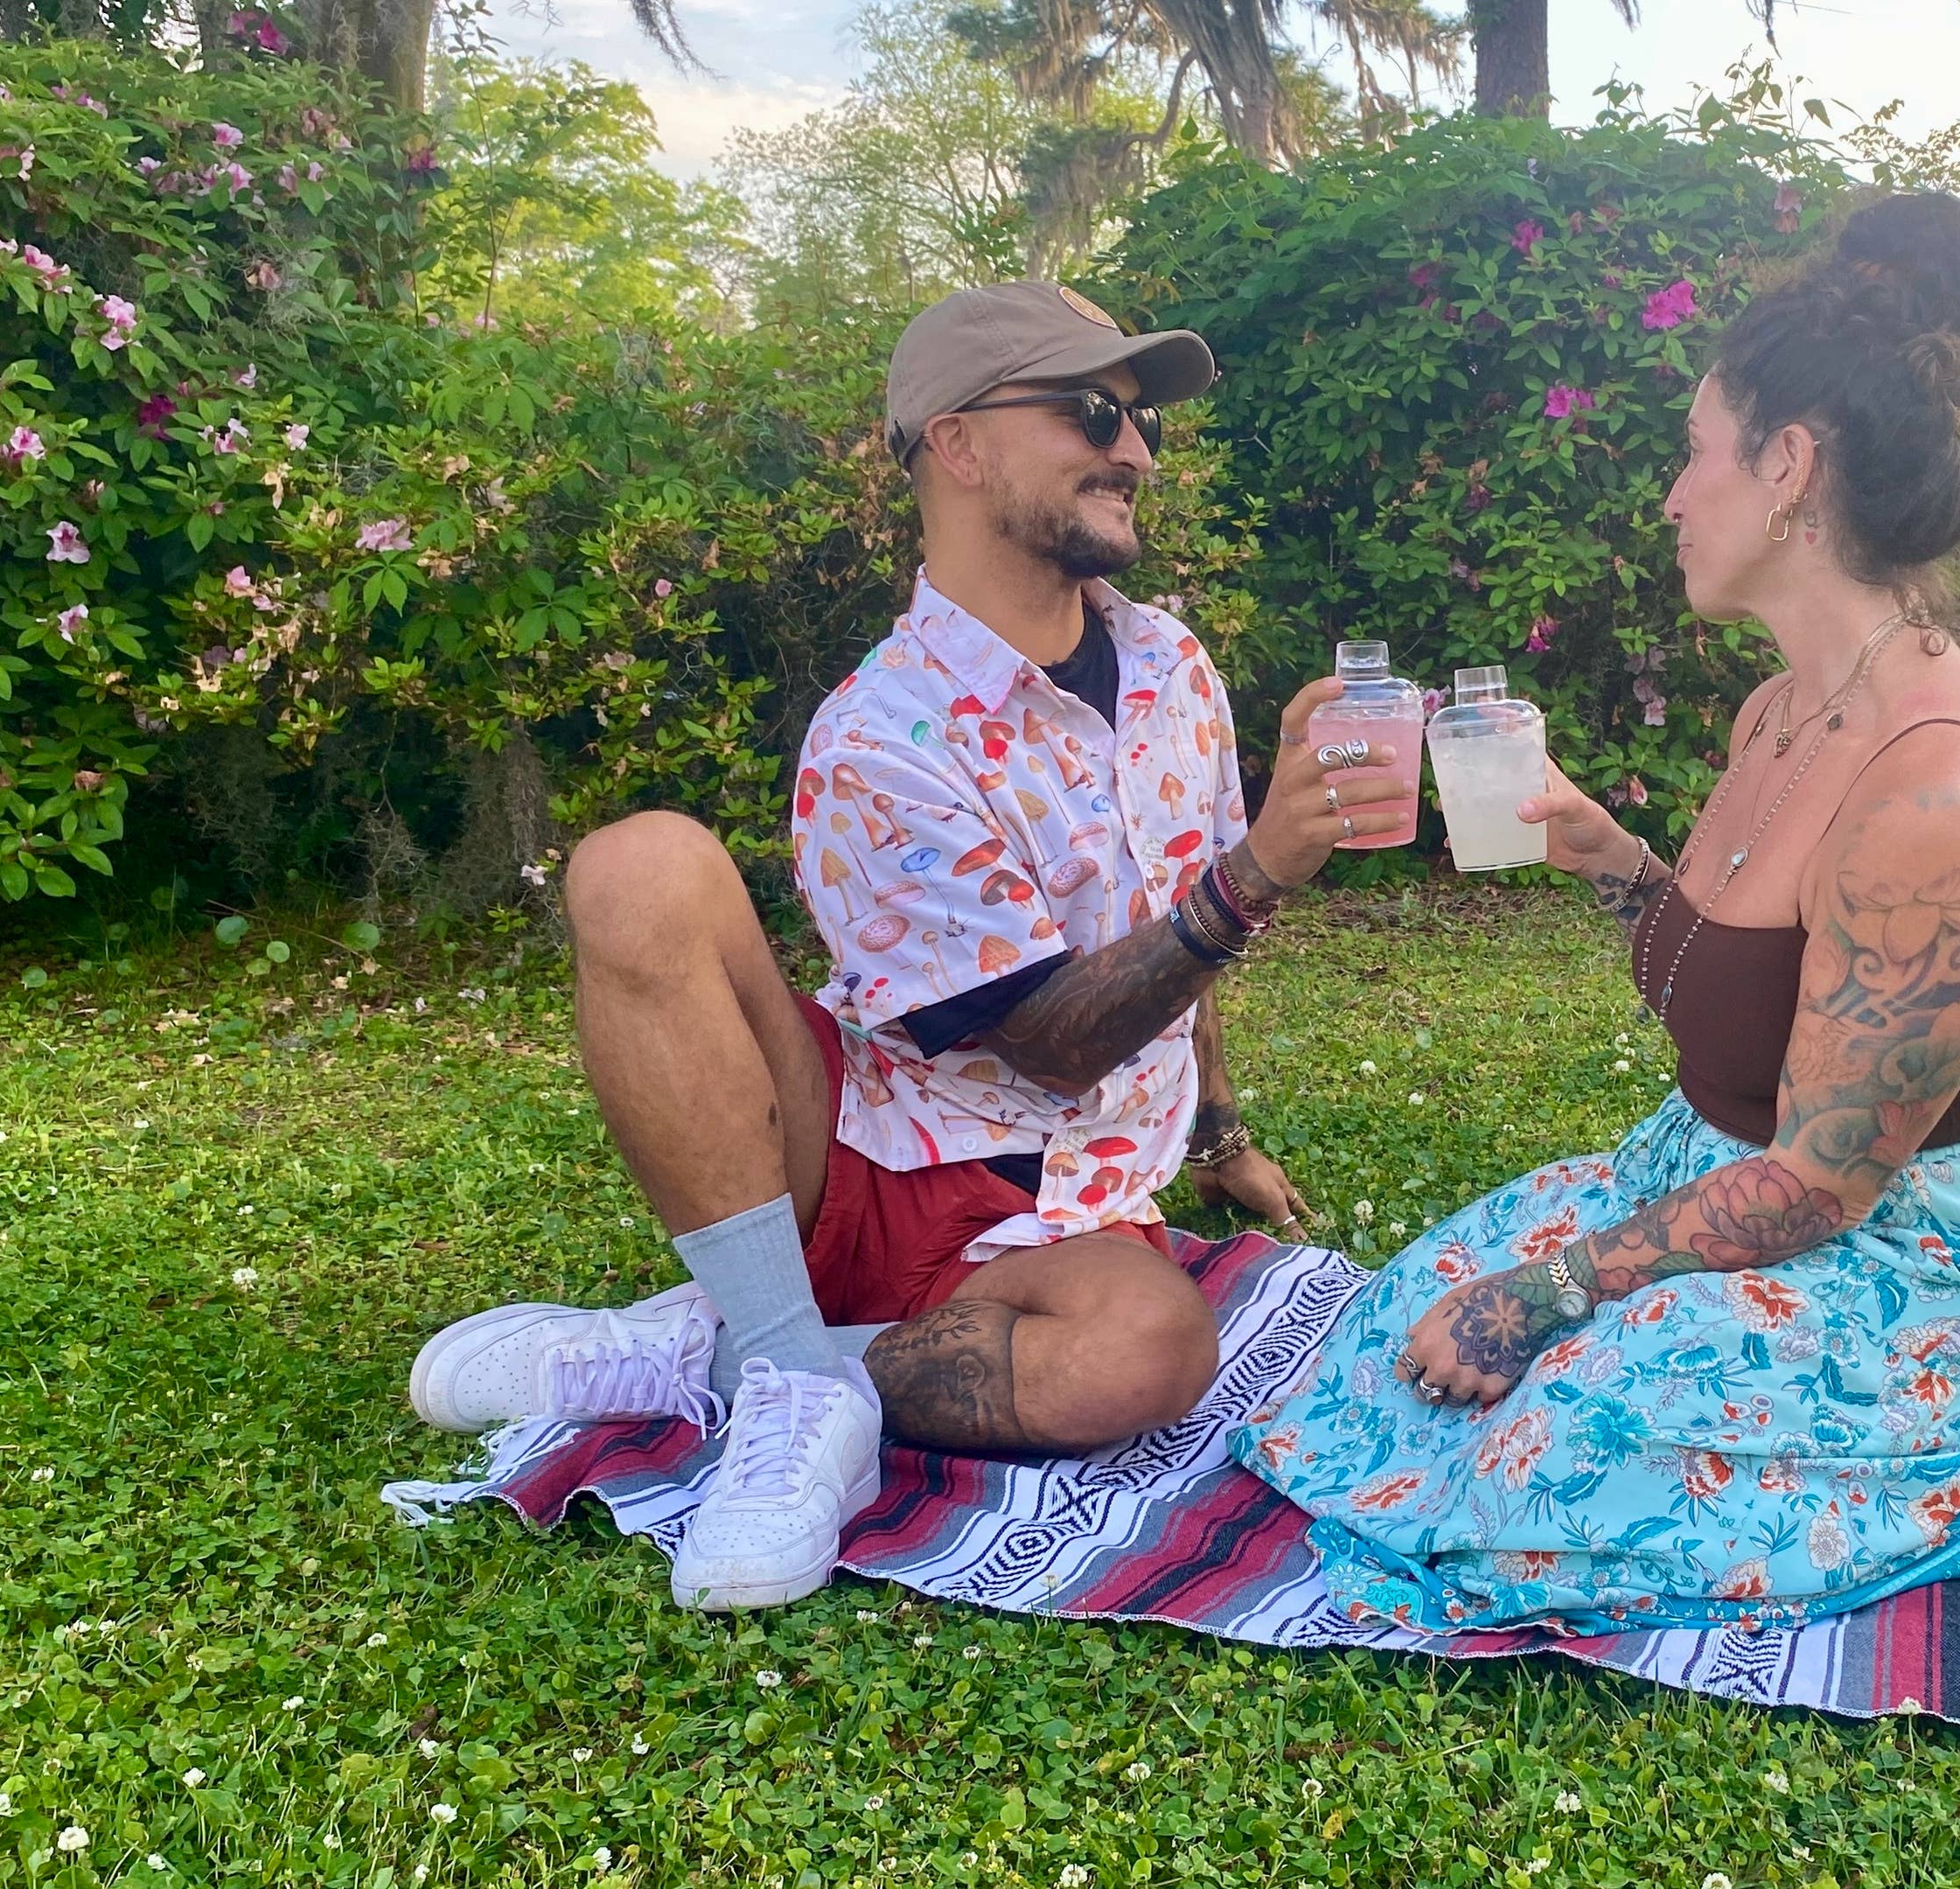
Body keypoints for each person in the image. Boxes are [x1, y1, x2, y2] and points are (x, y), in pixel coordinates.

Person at [404, 282, 1413, 1613]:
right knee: (638, 866)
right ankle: (782, 1362)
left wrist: (1220, 1136)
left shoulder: (1174, 669)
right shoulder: (883, 735)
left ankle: (729, 1362)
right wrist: (1258, 874)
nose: (1136, 450)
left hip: (1065, 1211)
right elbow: (1052, 1046)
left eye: (1143, 421)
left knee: (1143, 1351)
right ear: (959, 443)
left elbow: (1182, 940)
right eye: (1093, 412)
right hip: (852, 1156)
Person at [1231, 195, 1960, 1635]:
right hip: (1728, 1177)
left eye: (1694, 451)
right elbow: (1734, 987)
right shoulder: (1781, 710)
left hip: (1913, 1246)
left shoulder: (1935, 799)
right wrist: (1606, 855)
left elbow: (1822, 1187)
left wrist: (1548, 1293)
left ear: (1789, 468)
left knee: (1547, 1453)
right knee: (1392, 1336)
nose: (1670, 495)